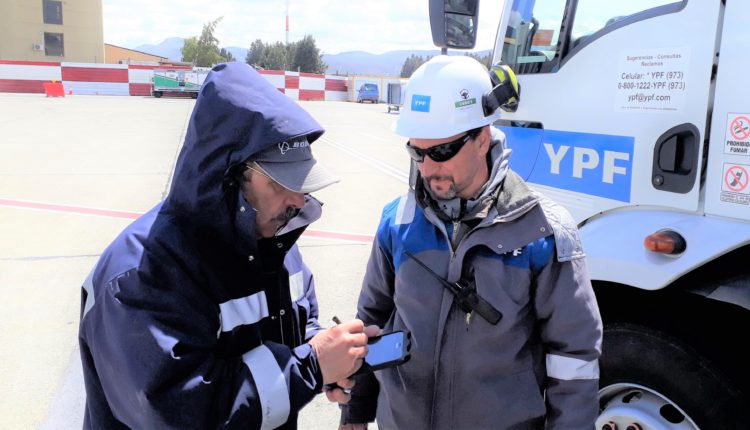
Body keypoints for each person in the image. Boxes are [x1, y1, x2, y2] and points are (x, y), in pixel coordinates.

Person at [78, 62, 377, 429]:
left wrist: (330, 351)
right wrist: (310, 367)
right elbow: (181, 411)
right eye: (282, 183)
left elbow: (298, 324)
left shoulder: (274, 239)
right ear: (230, 177)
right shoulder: (141, 273)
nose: (299, 200)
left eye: (302, 183)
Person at [339, 55, 603, 429]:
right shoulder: (397, 222)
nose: (428, 168)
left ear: (482, 139)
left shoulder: (543, 232)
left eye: (442, 151)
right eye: (417, 152)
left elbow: (574, 357)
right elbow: (371, 320)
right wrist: (355, 411)